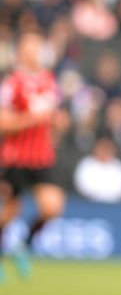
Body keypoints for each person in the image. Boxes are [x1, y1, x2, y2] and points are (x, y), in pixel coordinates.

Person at [0, 30, 69, 281]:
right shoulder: (12, 83)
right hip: (15, 157)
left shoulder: (50, 81)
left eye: (37, 47)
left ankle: (23, 246)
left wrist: (59, 122)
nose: (34, 52)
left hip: (42, 158)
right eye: (30, 48)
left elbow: (54, 117)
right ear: (21, 52)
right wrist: (33, 119)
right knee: (8, 213)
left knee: (53, 207)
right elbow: (3, 122)